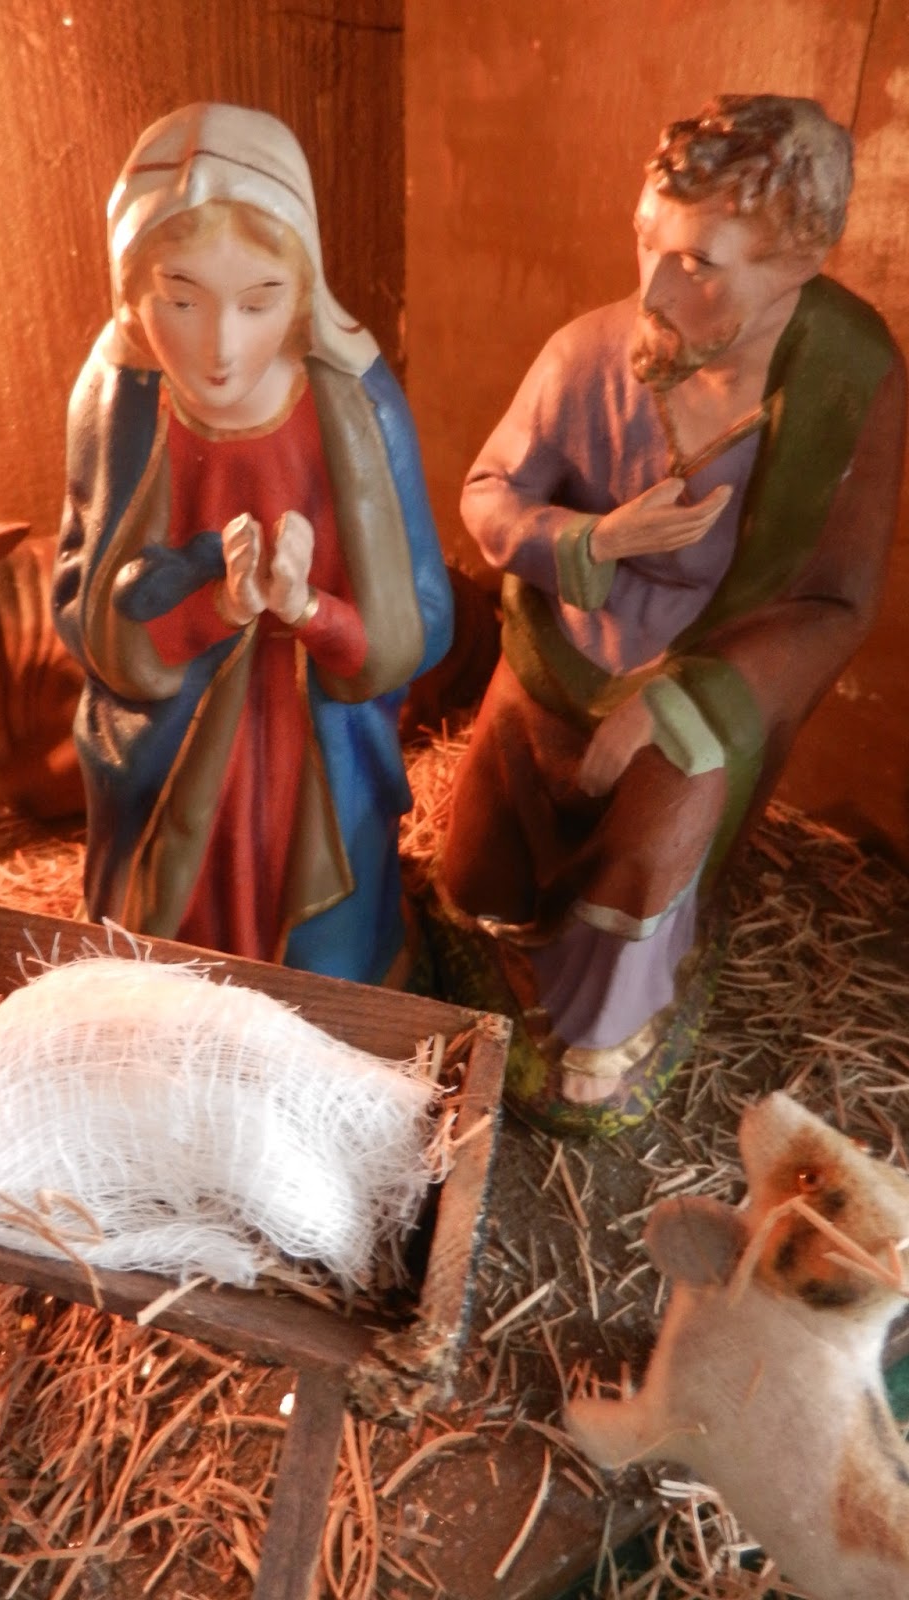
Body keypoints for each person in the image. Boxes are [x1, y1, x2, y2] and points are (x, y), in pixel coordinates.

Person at [438, 94, 905, 1130]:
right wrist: (592, 542)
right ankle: (495, 938)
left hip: (711, 666)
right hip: (564, 643)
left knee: (668, 804)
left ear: (797, 262)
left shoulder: (848, 386)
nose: (653, 285)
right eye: (648, 239)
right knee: (484, 838)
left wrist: (683, 700)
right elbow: (490, 492)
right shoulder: (586, 355)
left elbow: (834, 600)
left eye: (698, 263)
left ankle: (606, 1024)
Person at [54, 103, 452, 986]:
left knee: (325, 971)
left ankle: (332, 1003)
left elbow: (421, 616)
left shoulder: (357, 407)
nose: (220, 347)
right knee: (161, 960)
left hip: (313, 749)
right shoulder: (117, 404)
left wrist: (310, 611)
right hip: (168, 753)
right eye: (180, 299)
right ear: (130, 288)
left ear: (302, 291)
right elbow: (81, 602)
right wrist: (210, 610)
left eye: (258, 300)